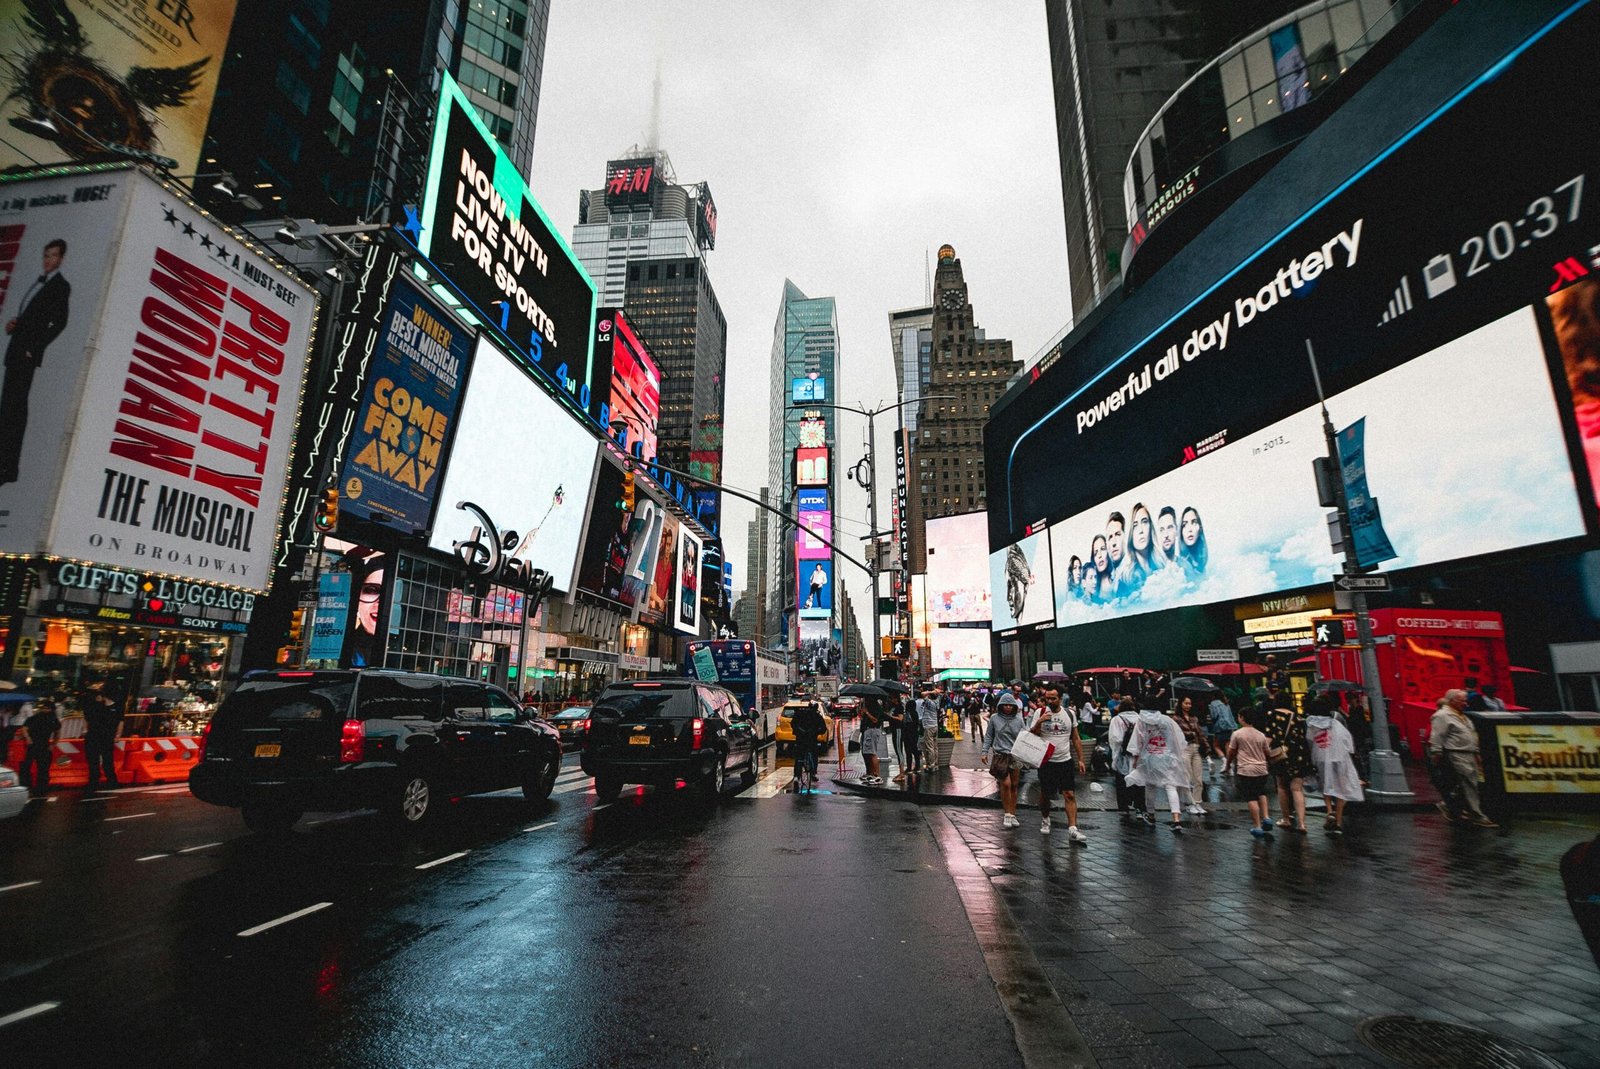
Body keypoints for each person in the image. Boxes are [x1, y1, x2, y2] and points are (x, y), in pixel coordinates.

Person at [0, 238, 70, 485]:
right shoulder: (39, 283)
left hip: (25, 354)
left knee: (15, 410)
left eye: (52, 256)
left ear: (61, 258)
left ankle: (8, 468)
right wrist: (15, 326)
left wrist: (35, 347)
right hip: (16, 350)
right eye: (46, 255)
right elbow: (32, 318)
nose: (48, 260)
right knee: (8, 408)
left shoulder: (60, 286)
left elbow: (60, 322)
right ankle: (5, 465)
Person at [1026, 687, 1089, 843]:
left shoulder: (1069, 714)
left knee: (1069, 794)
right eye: (1048, 698)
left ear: (1060, 698)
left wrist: (1081, 759)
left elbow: (1075, 737)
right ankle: (1046, 818)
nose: (1050, 701)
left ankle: (1073, 828)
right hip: (1047, 761)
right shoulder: (1039, 712)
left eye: (1053, 698)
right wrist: (1040, 722)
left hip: (1065, 760)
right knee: (1046, 794)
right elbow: (1032, 734)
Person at [1429, 689, 1497, 827]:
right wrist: (1436, 753)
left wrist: (1476, 752)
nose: (1465, 704)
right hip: (1456, 753)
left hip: (1468, 753)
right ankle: (1477, 815)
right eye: (1462, 701)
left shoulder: (1462, 716)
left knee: (1470, 783)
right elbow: (1437, 736)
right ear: (1452, 701)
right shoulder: (1442, 716)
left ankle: (1449, 805)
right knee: (1469, 783)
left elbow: (1471, 735)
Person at [1126, 697, 1189, 830]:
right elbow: (1176, 739)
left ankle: (1151, 814)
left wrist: (1136, 760)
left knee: (1150, 785)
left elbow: (1138, 742)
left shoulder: (1142, 721)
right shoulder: (1167, 720)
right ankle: (1176, 819)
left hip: (1150, 758)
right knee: (1171, 786)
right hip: (1167, 756)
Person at [1306, 695, 1363, 834]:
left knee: (1326, 785)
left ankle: (1329, 810)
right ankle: (1338, 820)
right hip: (1339, 757)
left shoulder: (1311, 725)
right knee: (1341, 787)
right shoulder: (1336, 723)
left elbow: (1309, 740)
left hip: (1320, 757)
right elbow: (1347, 740)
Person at [1264, 691, 1312, 834]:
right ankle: (1302, 823)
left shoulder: (1271, 715)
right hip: (1299, 754)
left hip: (1282, 755)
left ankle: (1286, 818)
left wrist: (1264, 754)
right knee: (1297, 789)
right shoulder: (1297, 717)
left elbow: (1269, 738)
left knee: (1282, 786)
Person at [1226, 708, 1276, 838]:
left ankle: (1257, 826)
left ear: (1242, 718)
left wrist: (1227, 765)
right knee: (1261, 793)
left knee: (1251, 798)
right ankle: (1266, 817)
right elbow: (1267, 752)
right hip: (1261, 769)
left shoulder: (1237, 734)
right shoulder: (1260, 735)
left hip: (1246, 769)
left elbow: (1231, 752)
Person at [981, 691, 1027, 829]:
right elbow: (989, 736)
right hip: (1000, 755)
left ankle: (1012, 814)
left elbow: (1024, 736)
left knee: (1014, 786)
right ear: (1001, 705)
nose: (1008, 707)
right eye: (1005, 705)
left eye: (1010, 705)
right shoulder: (994, 718)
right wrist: (984, 752)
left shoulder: (1019, 719)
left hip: (1015, 755)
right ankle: (1007, 813)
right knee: (1005, 784)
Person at [82, 682, 124, 793]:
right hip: (95, 735)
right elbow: (87, 717)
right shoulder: (94, 706)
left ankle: (110, 781)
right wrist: (85, 730)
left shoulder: (116, 706)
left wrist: (118, 735)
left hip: (105, 736)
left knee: (106, 760)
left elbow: (120, 721)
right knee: (95, 760)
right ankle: (95, 781)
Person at [1114, 502, 1161, 592]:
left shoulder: (1162, 566)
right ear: (1130, 534)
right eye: (1135, 525)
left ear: (1151, 526)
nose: (1140, 530)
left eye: (1144, 522)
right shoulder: (1125, 580)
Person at [1172, 695, 1207, 816]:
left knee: (1198, 778)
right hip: (1184, 748)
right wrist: (1189, 734)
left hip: (1196, 748)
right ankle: (1189, 803)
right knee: (1187, 776)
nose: (1188, 706)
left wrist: (1206, 746)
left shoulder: (1194, 718)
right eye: (1186, 703)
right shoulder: (1176, 719)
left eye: (1190, 703)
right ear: (1181, 703)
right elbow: (1176, 734)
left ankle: (1197, 802)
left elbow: (1200, 733)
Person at [20, 698, 60, 797]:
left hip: (44, 745)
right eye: (44, 708)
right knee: (26, 766)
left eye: (47, 708)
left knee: (43, 768)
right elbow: (24, 728)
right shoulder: (35, 718)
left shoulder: (53, 720)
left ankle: (41, 788)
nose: (45, 710)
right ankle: (26, 786)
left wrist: (53, 744)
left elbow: (57, 733)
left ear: (52, 710)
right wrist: (28, 738)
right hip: (33, 744)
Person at [1108, 701, 1141, 815]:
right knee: (1138, 781)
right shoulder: (1140, 718)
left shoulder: (1117, 720)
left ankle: (1123, 807)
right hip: (1137, 755)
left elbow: (1115, 739)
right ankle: (1139, 807)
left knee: (1121, 780)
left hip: (1122, 754)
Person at [790, 700, 828, 792]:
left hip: (801, 739)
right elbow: (823, 729)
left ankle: (796, 777)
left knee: (799, 757)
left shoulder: (801, 714)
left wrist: (800, 731)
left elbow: (793, 724)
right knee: (814, 755)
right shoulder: (818, 716)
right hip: (811, 740)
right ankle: (813, 773)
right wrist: (815, 732)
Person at [859, 694, 886, 785]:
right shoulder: (868, 707)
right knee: (867, 753)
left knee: (872, 753)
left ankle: (877, 775)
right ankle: (870, 773)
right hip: (867, 730)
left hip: (872, 730)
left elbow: (875, 720)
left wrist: (867, 713)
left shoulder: (876, 708)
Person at [1207, 693, 1238, 764]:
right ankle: (1229, 765)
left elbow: (1214, 716)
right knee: (1227, 745)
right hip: (1229, 727)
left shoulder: (1213, 703)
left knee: (1216, 746)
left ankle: (1224, 761)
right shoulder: (1226, 703)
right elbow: (1231, 716)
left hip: (1219, 727)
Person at [1177, 506, 1208, 576]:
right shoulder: (1179, 567)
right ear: (1181, 532)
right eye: (1184, 525)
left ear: (1200, 529)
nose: (1189, 529)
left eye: (1194, 522)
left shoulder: (1202, 564)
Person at [917, 686, 941, 774]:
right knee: (935, 746)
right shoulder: (937, 701)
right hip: (935, 725)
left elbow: (922, 694)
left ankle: (931, 765)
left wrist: (931, 691)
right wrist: (935, 692)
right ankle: (935, 764)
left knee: (930, 747)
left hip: (929, 726)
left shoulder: (929, 702)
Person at [1087, 535, 1115, 602]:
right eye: (1095, 553)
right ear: (1094, 559)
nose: (1099, 555)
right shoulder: (1092, 589)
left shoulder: (1117, 583)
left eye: (1102, 549)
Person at [1154, 505, 1181, 570]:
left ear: (1177, 530)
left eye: (1170, 528)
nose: (1166, 535)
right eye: (1162, 530)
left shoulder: (1186, 567)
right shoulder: (1152, 567)